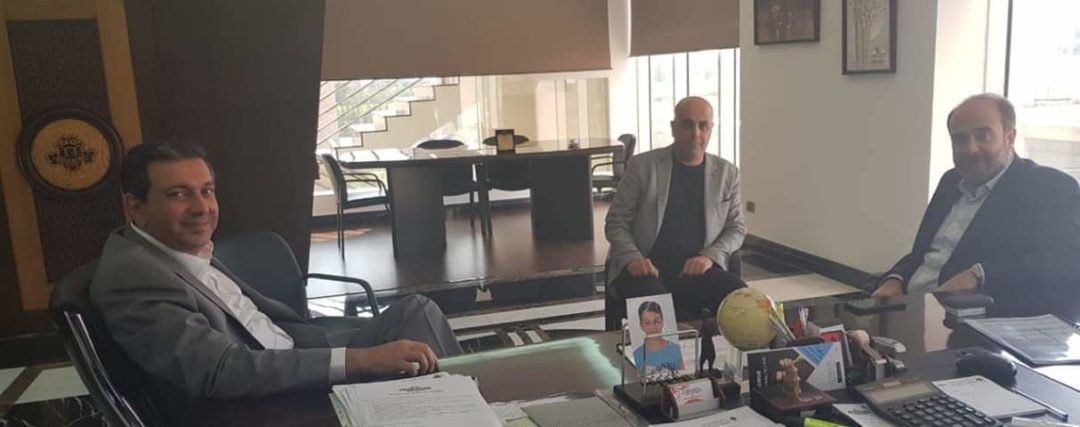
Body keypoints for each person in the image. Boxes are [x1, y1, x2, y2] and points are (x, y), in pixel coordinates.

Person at [90, 142, 464, 402]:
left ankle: (463, 406)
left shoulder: (172, 248)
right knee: (426, 364)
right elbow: (219, 371)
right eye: (178, 194)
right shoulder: (135, 277)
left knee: (416, 311)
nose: (202, 207)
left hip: (295, 346)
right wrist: (362, 359)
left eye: (207, 191)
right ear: (136, 208)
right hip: (276, 392)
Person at [871, 93, 1080, 314]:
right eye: (960, 140)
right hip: (910, 308)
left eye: (983, 136)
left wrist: (980, 274)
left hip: (975, 320)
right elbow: (926, 253)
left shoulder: (1049, 186)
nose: (971, 149)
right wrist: (895, 278)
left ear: (1009, 137)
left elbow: (1065, 263)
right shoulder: (951, 181)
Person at [605, 96, 747, 320]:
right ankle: (670, 345)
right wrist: (632, 258)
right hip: (646, 270)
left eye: (703, 126)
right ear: (673, 128)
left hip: (699, 271)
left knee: (745, 303)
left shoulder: (727, 174)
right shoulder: (642, 167)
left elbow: (736, 228)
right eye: (687, 125)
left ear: (711, 129)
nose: (696, 134)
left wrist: (709, 257)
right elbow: (616, 222)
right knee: (658, 318)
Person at [632, 301, 683, 374]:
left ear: (662, 322)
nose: (653, 327)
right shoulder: (636, 355)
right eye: (647, 323)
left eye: (657, 321)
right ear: (641, 326)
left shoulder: (677, 349)